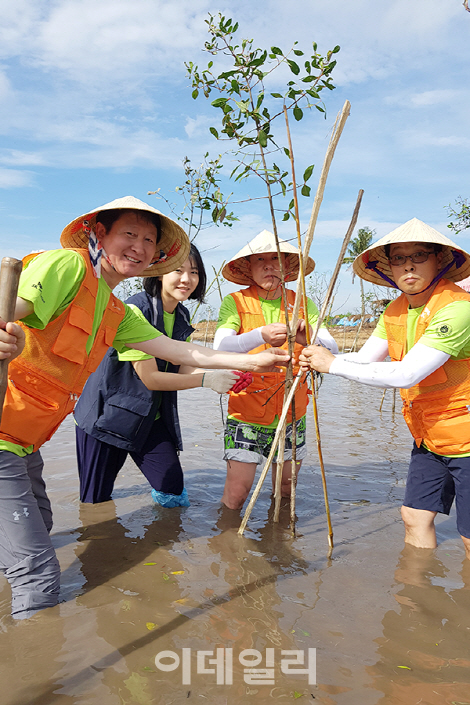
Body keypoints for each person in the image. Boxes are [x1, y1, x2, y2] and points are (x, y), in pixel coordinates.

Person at [0, 196, 290, 620]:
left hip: (26, 442)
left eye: (149, 240)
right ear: (99, 234)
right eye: (128, 234)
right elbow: (15, 309)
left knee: (37, 529)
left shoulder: (116, 310)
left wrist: (252, 360)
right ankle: (40, 670)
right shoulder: (68, 265)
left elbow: (175, 349)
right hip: (31, 432)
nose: (139, 246)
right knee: (40, 573)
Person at [300, 218, 470, 558]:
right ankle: (415, 597)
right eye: (398, 258)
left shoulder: (458, 309)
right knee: (413, 516)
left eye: (419, 255)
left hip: (466, 438)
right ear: (388, 267)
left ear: (440, 260)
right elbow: (364, 358)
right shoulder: (394, 310)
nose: (408, 264)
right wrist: (317, 348)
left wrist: (331, 364)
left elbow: (406, 374)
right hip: (428, 436)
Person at [75, 244, 235, 507]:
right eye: (177, 270)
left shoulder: (181, 315)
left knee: (172, 490)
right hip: (107, 417)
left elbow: (181, 365)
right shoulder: (136, 310)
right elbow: (151, 378)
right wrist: (206, 380)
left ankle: (169, 541)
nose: (186, 279)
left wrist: (224, 373)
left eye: (194, 272)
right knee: (95, 502)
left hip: (150, 415)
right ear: (159, 272)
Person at [213, 229, 339, 510]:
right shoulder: (236, 302)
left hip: (293, 410)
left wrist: (308, 337)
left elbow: (332, 347)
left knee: (285, 489)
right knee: (238, 492)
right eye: (261, 260)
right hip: (246, 411)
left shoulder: (302, 302)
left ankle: (279, 542)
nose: (269, 266)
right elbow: (221, 346)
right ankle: (226, 546)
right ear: (249, 267)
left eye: (276, 259)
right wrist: (260, 335)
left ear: (288, 266)